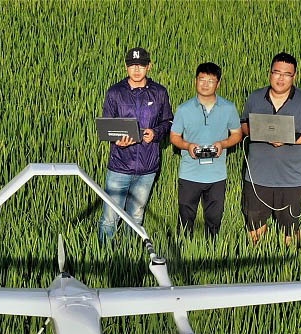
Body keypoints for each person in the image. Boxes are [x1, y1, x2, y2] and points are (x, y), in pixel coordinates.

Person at [241, 52, 301, 245]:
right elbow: (243, 125)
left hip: (291, 178)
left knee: (290, 229)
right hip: (257, 176)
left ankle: (293, 259)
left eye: (287, 74)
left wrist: (287, 139)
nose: (281, 78)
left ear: (294, 76)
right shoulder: (255, 97)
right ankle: (257, 258)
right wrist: (261, 134)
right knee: (254, 226)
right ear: (270, 73)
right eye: (277, 73)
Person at [99, 47, 173, 242]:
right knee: (109, 218)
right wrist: (117, 140)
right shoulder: (115, 92)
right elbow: (106, 124)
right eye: (132, 65)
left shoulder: (159, 92)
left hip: (147, 168)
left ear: (149, 66)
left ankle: (130, 253)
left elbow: (168, 121)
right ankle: (103, 256)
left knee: (136, 216)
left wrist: (156, 133)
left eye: (141, 65)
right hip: (119, 166)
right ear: (126, 67)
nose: (137, 69)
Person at [169, 63, 243, 238]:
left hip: (217, 175)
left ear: (218, 83)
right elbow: (174, 137)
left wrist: (223, 144)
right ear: (195, 80)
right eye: (201, 79)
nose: (205, 84)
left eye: (210, 81)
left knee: (214, 219)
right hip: (189, 173)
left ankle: (212, 249)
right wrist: (188, 146)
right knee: (185, 219)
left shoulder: (229, 108)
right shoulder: (184, 109)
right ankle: (183, 249)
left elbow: (237, 134)